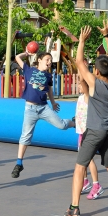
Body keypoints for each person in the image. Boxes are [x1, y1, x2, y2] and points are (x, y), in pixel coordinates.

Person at [64, 20, 108, 216]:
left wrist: (82, 41)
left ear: (98, 71)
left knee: (79, 167)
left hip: (95, 131)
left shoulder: (95, 84)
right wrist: (107, 36)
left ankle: (74, 207)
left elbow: (78, 62)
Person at [11, 51, 75, 179]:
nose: (49, 62)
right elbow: (17, 57)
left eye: (51, 60)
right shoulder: (29, 70)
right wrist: (27, 53)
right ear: (39, 60)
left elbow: (49, 90)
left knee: (62, 125)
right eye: (47, 59)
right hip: (30, 109)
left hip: (43, 108)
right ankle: (19, 163)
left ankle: (75, 122)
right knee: (25, 136)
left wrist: (53, 103)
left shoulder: (48, 76)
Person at [75, 77, 103, 200]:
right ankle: (85, 182)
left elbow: (84, 84)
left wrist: (81, 73)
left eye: (81, 85)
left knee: (89, 159)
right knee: (82, 159)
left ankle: (97, 185)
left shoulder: (88, 97)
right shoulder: (80, 97)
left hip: (88, 133)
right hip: (81, 132)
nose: (79, 87)